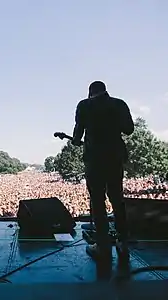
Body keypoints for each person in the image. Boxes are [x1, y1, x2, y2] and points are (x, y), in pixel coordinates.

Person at [72, 81, 134, 275]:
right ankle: (123, 243)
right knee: (117, 198)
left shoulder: (84, 105)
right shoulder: (119, 104)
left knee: (98, 202)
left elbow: (77, 133)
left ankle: (103, 246)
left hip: (95, 160)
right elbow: (129, 129)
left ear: (91, 93)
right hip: (115, 158)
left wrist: (76, 140)